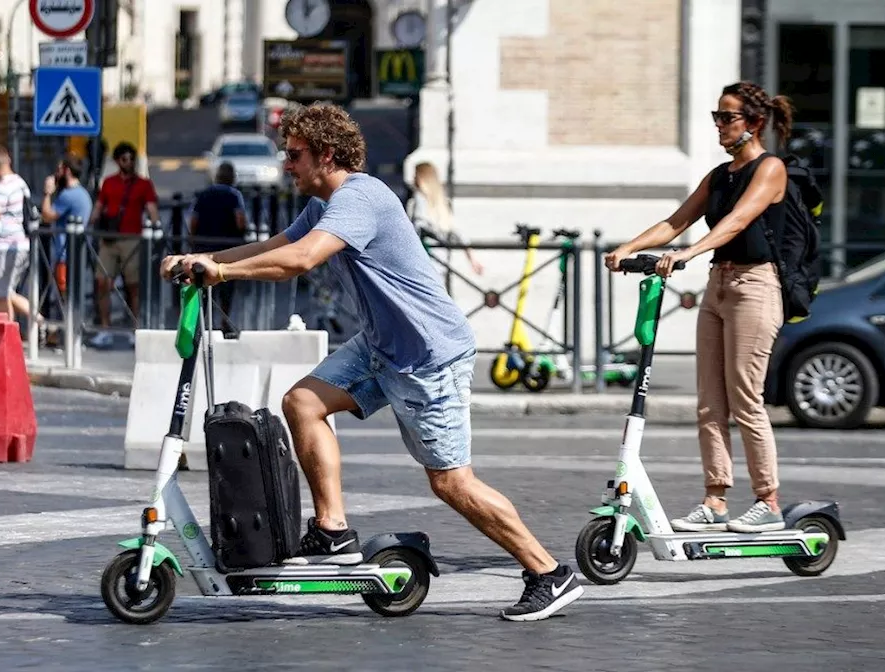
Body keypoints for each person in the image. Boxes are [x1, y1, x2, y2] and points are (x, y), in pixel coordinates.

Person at [159, 101, 584, 622]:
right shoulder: (324, 205)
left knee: (452, 482)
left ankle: (548, 572)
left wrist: (220, 276)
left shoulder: (361, 197)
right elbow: (276, 245)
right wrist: (199, 259)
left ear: (327, 154)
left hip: (429, 356)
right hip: (382, 345)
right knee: (303, 402)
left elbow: (301, 260)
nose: (286, 165)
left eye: (294, 155)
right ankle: (334, 530)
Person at [604, 81, 794, 534]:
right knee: (709, 402)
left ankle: (768, 501)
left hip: (756, 286)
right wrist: (626, 247)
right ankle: (716, 499)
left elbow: (738, 221)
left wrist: (689, 253)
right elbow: (676, 221)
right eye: (717, 117)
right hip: (719, 285)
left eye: (727, 118)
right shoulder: (719, 175)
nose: (719, 127)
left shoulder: (770, 170)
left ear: (754, 123)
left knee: (746, 399)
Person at [90, 142, 160, 348]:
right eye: (124, 159)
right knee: (102, 282)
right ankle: (105, 328)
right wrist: (86, 226)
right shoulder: (109, 183)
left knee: (133, 287)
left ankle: (135, 329)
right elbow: (98, 207)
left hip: (133, 240)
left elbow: (152, 209)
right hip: (109, 239)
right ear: (117, 161)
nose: (128, 163)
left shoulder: (143, 184)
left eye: (131, 159)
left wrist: (156, 228)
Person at [0, 145, 41, 331]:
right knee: (7, 292)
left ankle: (9, 337)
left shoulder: (1, 188)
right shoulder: (21, 183)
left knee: (0, 294)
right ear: (8, 160)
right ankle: (42, 322)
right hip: (23, 244)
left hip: (6, 247)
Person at [189, 161, 249, 336]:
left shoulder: (204, 194)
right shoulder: (234, 195)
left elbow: (193, 220)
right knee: (226, 285)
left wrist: (194, 239)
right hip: (227, 245)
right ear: (232, 178)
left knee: (204, 284)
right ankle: (224, 322)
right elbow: (239, 219)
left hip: (204, 245)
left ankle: (203, 323)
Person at [40, 152, 95, 345]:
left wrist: (47, 192)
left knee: (61, 296)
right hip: (77, 253)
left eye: (59, 169)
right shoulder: (83, 193)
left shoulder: (67, 195)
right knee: (70, 295)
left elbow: (47, 215)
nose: (56, 174)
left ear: (67, 171)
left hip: (64, 253)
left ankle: (62, 335)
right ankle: (70, 334)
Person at [407, 161, 483, 276]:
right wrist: (472, 258)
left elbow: (418, 225)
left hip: (423, 260)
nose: (412, 179)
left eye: (415, 175)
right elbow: (458, 232)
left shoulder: (417, 199)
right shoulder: (441, 202)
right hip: (440, 261)